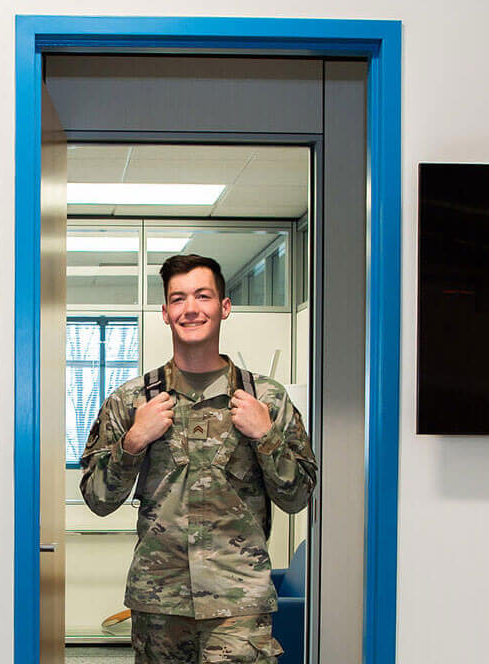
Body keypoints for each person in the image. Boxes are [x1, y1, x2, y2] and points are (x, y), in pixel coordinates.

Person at [80, 254, 318, 664]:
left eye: (203, 296)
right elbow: (98, 500)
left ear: (224, 307)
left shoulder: (267, 399)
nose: (191, 308)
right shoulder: (132, 400)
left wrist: (267, 437)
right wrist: (134, 441)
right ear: (166, 313)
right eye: (178, 298)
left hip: (239, 605)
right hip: (160, 603)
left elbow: (298, 497)